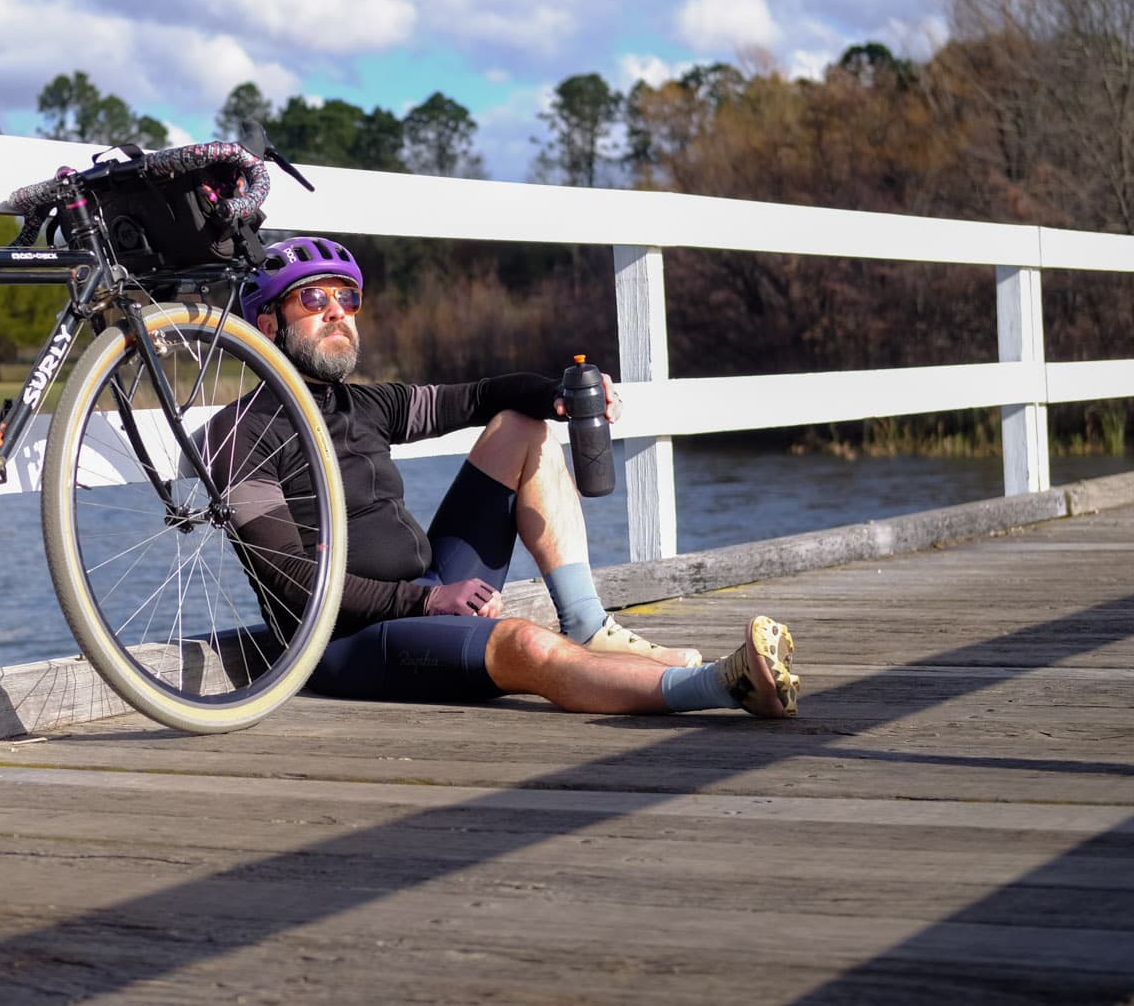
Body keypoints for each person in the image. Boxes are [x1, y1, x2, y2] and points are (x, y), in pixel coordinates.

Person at [209, 235, 800, 720]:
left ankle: (589, 625)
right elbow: (292, 580)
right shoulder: (239, 433)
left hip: (428, 588)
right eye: (313, 299)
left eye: (348, 298)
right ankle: (720, 687)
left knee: (522, 423)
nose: (338, 311)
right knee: (524, 644)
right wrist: (425, 600)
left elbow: (483, 396)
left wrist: (560, 397)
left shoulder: (364, 405)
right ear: (265, 321)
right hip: (345, 640)